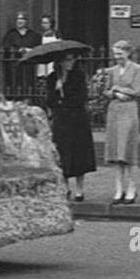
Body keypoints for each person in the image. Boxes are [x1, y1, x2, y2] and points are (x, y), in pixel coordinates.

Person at [45, 51, 96, 201]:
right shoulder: (52, 78)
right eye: (67, 60)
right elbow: (50, 101)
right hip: (61, 120)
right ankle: (66, 187)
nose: (71, 62)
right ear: (60, 62)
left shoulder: (78, 76)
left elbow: (81, 97)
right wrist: (56, 89)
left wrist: (64, 92)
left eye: (72, 59)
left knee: (79, 153)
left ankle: (80, 189)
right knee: (63, 153)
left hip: (77, 119)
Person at [104, 40, 140, 204]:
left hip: (129, 110)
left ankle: (132, 188)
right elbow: (106, 90)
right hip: (114, 110)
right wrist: (113, 93)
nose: (117, 57)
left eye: (120, 54)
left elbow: (136, 91)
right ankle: (118, 188)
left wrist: (117, 89)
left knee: (128, 150)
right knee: (116, 152)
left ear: (128, 53)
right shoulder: (112, 71)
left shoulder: (137, 69)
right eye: (115, 54)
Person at [1, 12, 41, 101]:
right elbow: (6, 47)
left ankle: (29, 99)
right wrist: (17, 50)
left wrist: (28, 50)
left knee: (28, 82)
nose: (20, 21)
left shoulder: (32, 34)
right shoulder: (11, 34)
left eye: (22, 19)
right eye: (18, 19)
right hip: (15, 64)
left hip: (29, 64)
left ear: (26, 21)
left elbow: (38, 47)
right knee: (15, 82)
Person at [34, 15, 62, 81]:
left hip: (53, 59)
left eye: (46, 23)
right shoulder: (39, 35)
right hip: (43, 59)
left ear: (51, 24)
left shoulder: (56, 33)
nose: (44, 25)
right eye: (42, 23)